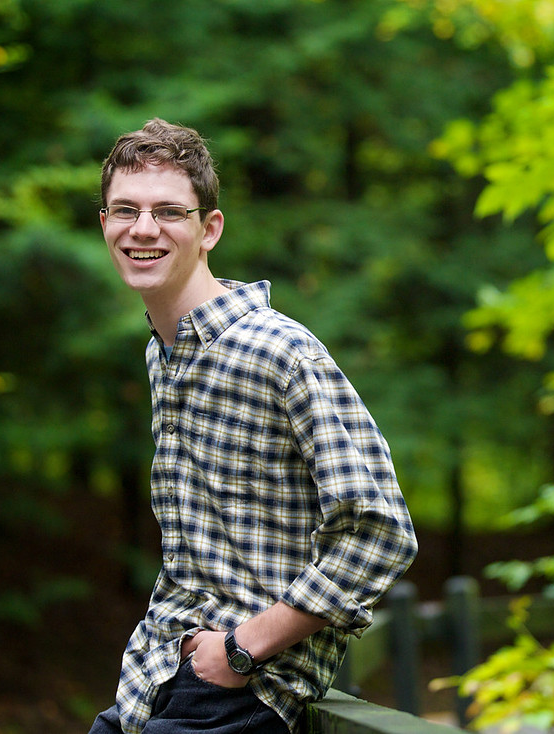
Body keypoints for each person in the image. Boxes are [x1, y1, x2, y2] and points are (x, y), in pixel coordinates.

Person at [88, 118, 418, 734]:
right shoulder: (165, 355)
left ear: (209, 228)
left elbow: (382, 532)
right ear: (103, 222)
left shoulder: (279, 352)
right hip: (157, 670)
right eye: (124, 210)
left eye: (168, 212)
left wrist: (243, 647)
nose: (142, 229)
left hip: (249, 690)